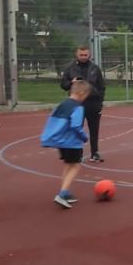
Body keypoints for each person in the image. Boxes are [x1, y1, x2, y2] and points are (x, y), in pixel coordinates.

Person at [40, 79, 90, 209]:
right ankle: (62, 194)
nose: (85, 99)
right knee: (75, 166)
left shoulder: (62, 104)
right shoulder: (78, 107)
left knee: (68, 165)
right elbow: (76, 126)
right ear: (82, 93)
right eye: (86, 96)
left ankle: (65, 191)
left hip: (61, 142)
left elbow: (52, 121)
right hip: (72, 142)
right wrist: (84, 137)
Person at [60, 45, 107, 162]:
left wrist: (100, 101)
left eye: (86, 55)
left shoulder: (95, 68)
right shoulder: (70, 68)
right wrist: (71, 82)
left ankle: (95, 153)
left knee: (94, 130)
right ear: (77, 54)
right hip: (77, 104)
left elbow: (101, 86)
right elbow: (63, 85)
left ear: (89, 54)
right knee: (76, 129)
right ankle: (78, 154)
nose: (83, 57)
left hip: (93, 104)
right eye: (81, 55)